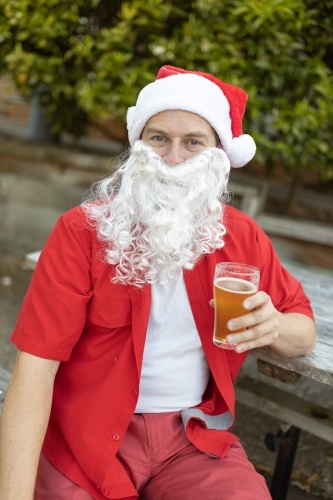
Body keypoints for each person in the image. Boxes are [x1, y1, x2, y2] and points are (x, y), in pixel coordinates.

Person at [0, 65, 317, 500]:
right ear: (137, 146)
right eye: (159, 138)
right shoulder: (81, 232)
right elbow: (33, 374)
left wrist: (275, 327)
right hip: (84, 437)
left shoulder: (242, 236)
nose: (172, 158)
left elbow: (303, 330)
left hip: (193, 439)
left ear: (219, 156)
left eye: (193, 142)